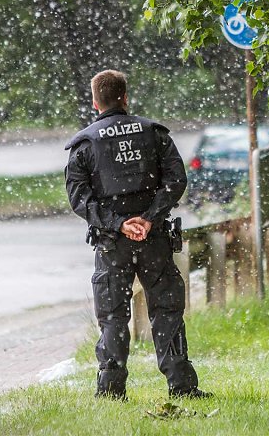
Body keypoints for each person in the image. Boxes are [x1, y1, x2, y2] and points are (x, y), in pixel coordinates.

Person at [64, 69, 210, 400]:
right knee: (166, 309)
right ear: (125, 97)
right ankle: (181, 385)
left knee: (113, 315)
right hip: (154, 238)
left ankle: (112, 389)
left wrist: (117, 223)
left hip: (112, 244)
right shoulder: (153, 133)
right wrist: (148, 218)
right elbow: (176, 180)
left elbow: (79, 198)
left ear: (95, 101)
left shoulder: (85, 144)